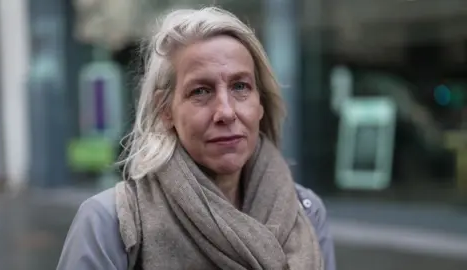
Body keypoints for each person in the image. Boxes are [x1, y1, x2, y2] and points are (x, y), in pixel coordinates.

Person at [57, 7, 335, 270]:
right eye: (200, 91)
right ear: (165, 110)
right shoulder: (111, 221)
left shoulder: (306, 212)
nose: (225, 112)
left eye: (240, 87)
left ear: (260, 103)